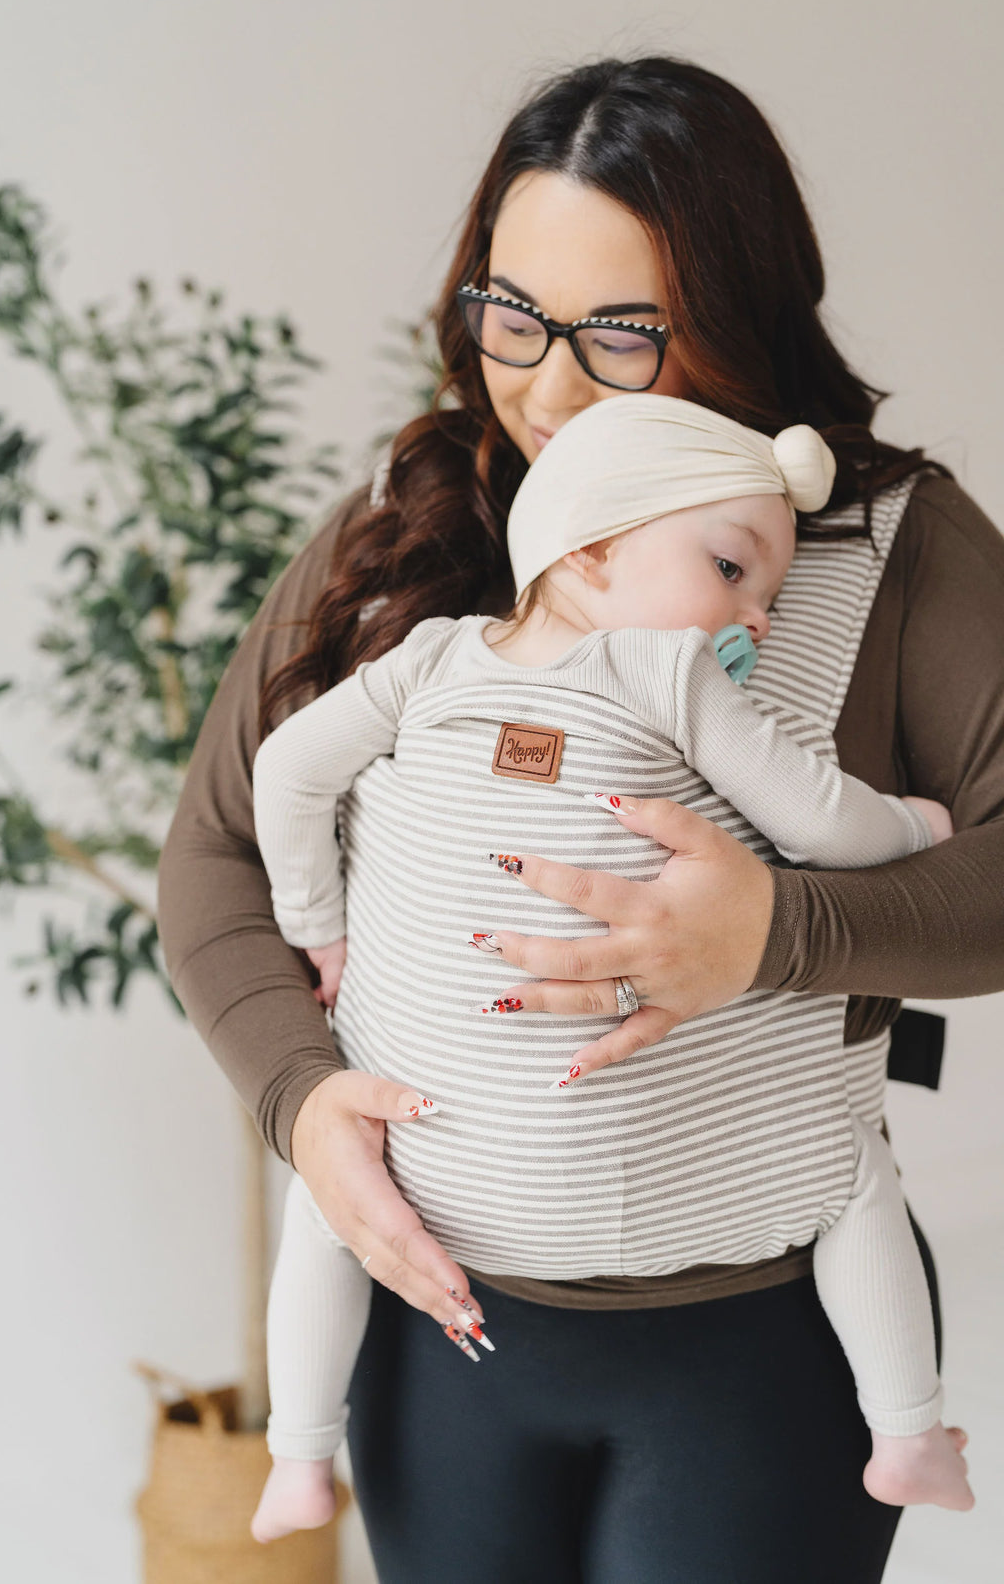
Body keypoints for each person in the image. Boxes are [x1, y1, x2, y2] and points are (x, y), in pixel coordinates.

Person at [158, 56, 1004, 1582]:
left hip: (762, 1348)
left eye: (622, 335)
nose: (545, 389)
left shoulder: (893, 549)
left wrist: (780, 931)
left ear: (745, 317)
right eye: (514, 314)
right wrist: (302, 1102)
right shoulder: (408, 528)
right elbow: (218, 847)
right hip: (442, 1337)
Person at [246, 394, 973, 1544]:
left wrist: (316, 919)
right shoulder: (668, 676)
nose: (760, 619)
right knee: (847, 1178)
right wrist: (922, 831)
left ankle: (299, 1457)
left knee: (327, 1212)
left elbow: (288, 772)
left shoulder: (427, 664)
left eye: (772, 595)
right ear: (587, 550)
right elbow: (824, 822)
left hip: (450, 1181)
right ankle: (909, 1433)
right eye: (733, 570)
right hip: (555, 1263)